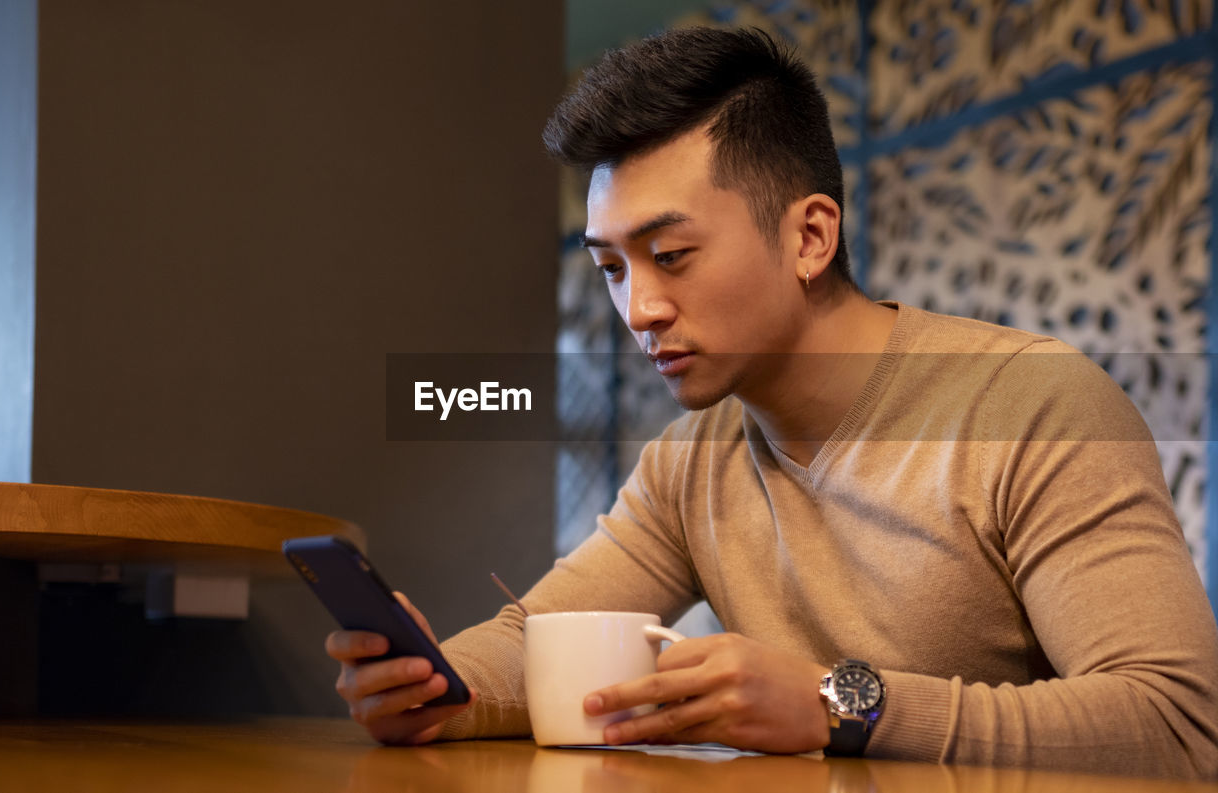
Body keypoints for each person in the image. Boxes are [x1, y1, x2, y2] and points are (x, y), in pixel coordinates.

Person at [325, 27, 1218, 777]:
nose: (638, 309)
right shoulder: (690, 460)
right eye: (611, 268)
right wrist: (438, 687)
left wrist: (841, 702)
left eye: (670, 255)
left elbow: (1179, 723)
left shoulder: (1033, 406)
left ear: (810, 236)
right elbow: (538, 636)